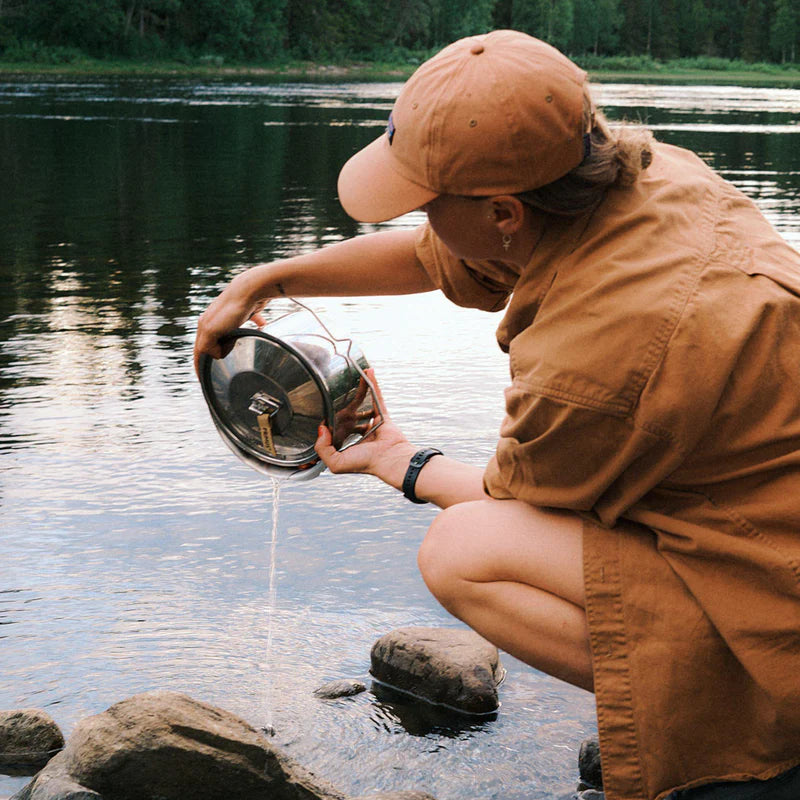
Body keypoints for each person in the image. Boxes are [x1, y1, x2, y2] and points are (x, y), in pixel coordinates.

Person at [194, 29, 800, 800]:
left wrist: (398, 462)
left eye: (424, 203)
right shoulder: (650, 181)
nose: (413, 218)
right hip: (763, 509)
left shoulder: (600, 354)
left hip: (779, 588)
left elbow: (515, 508)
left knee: (463, 549)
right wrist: (268, 279)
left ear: (504, 213)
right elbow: (434, 256)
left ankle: (744, 722)